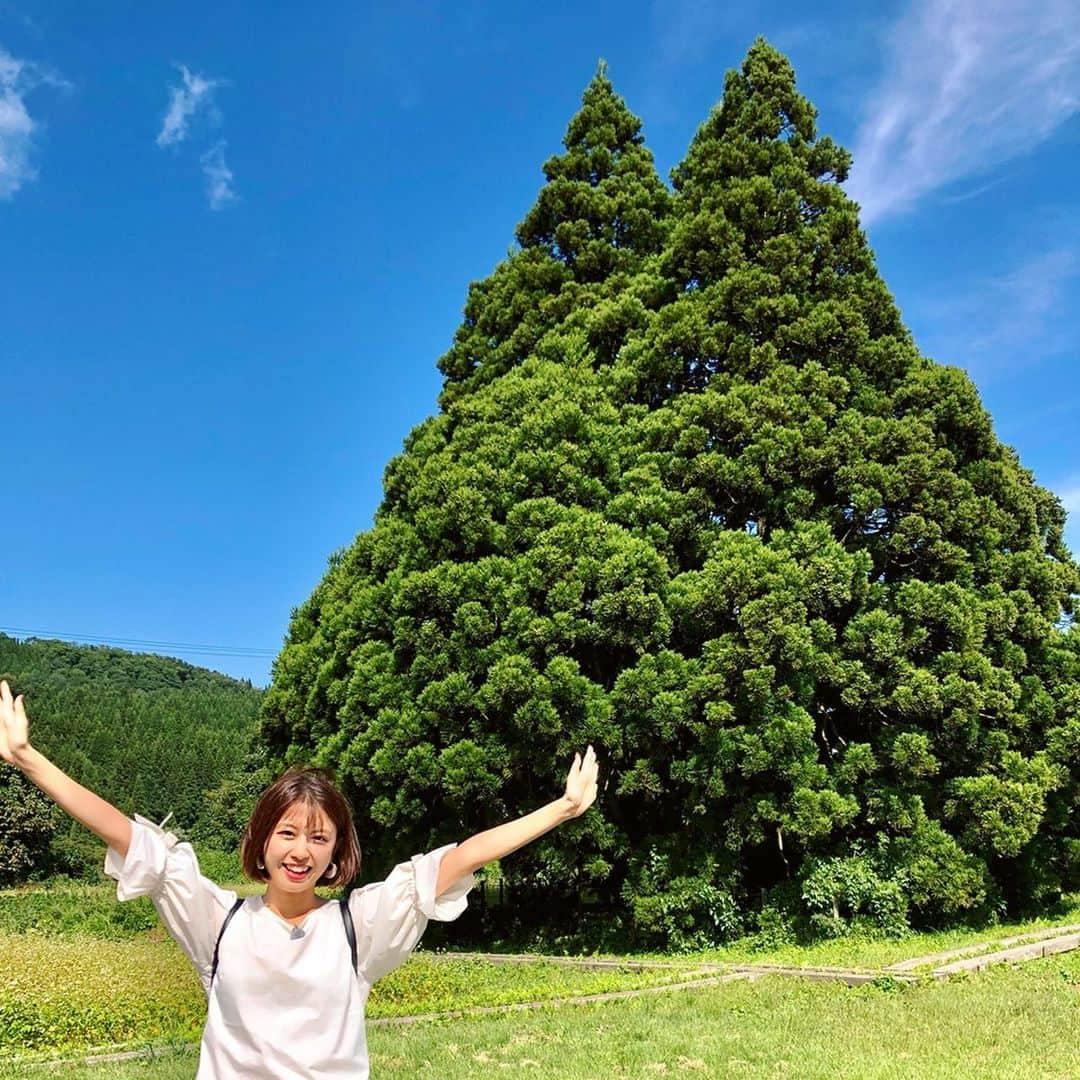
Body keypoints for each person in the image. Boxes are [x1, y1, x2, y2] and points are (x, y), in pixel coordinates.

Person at [0, 678, 600, 1078]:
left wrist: (561, 808)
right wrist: (28, 758)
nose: (301, 850)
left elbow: (462, 858)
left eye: (319, 837)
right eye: (287, 832)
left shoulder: (357, 924)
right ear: (262, 840)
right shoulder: (218, 920)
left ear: (337, 851)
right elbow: (128, 837)